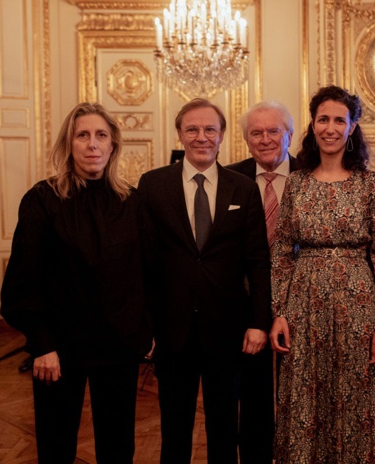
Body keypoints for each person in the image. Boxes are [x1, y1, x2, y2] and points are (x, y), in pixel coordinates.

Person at [0, 102, 153, 463]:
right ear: (68, 144)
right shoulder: (42, 199)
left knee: (118, 447)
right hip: (58, 348)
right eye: (82, 135)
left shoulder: (132, 202)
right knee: (56, 446)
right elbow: (23, 278)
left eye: (101, 135)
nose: (92, 144)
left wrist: (146, 332)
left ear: (113, 144)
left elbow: (147, 274)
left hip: (118, 346)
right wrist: (41, 344)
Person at [269, 85, 375, 463]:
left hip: (359, 306)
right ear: (312, 124)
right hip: (303, 306)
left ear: (352, 126)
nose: (330, 127)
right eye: (323, 119)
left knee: (358, 396)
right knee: (307, 393)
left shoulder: (371, 184)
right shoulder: (296, 182)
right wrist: (279, 311)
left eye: (339, 120)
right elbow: (282, 251)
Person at [138, 98, 271, 464]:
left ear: (222, 135)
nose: (201, 137)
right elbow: (144, 263)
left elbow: (258, 262)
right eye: (192, 129)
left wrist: (258, 323)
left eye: (209, 129)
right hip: (172, 330)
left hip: (227, 331)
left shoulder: (242, 188)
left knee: (225, 427)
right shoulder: (152, 186)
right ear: (180, 134)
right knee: (174, 429)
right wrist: (145, 326)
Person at [227, 100, 297, 464]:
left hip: (303, 302)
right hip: (246, 303)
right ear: (246, 139)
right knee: (252, 396)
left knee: (300, 392)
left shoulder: (312, 175)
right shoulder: (230, 179)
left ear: (290, 135)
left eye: (274, 131)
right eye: (257, 132)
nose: (266, 139)